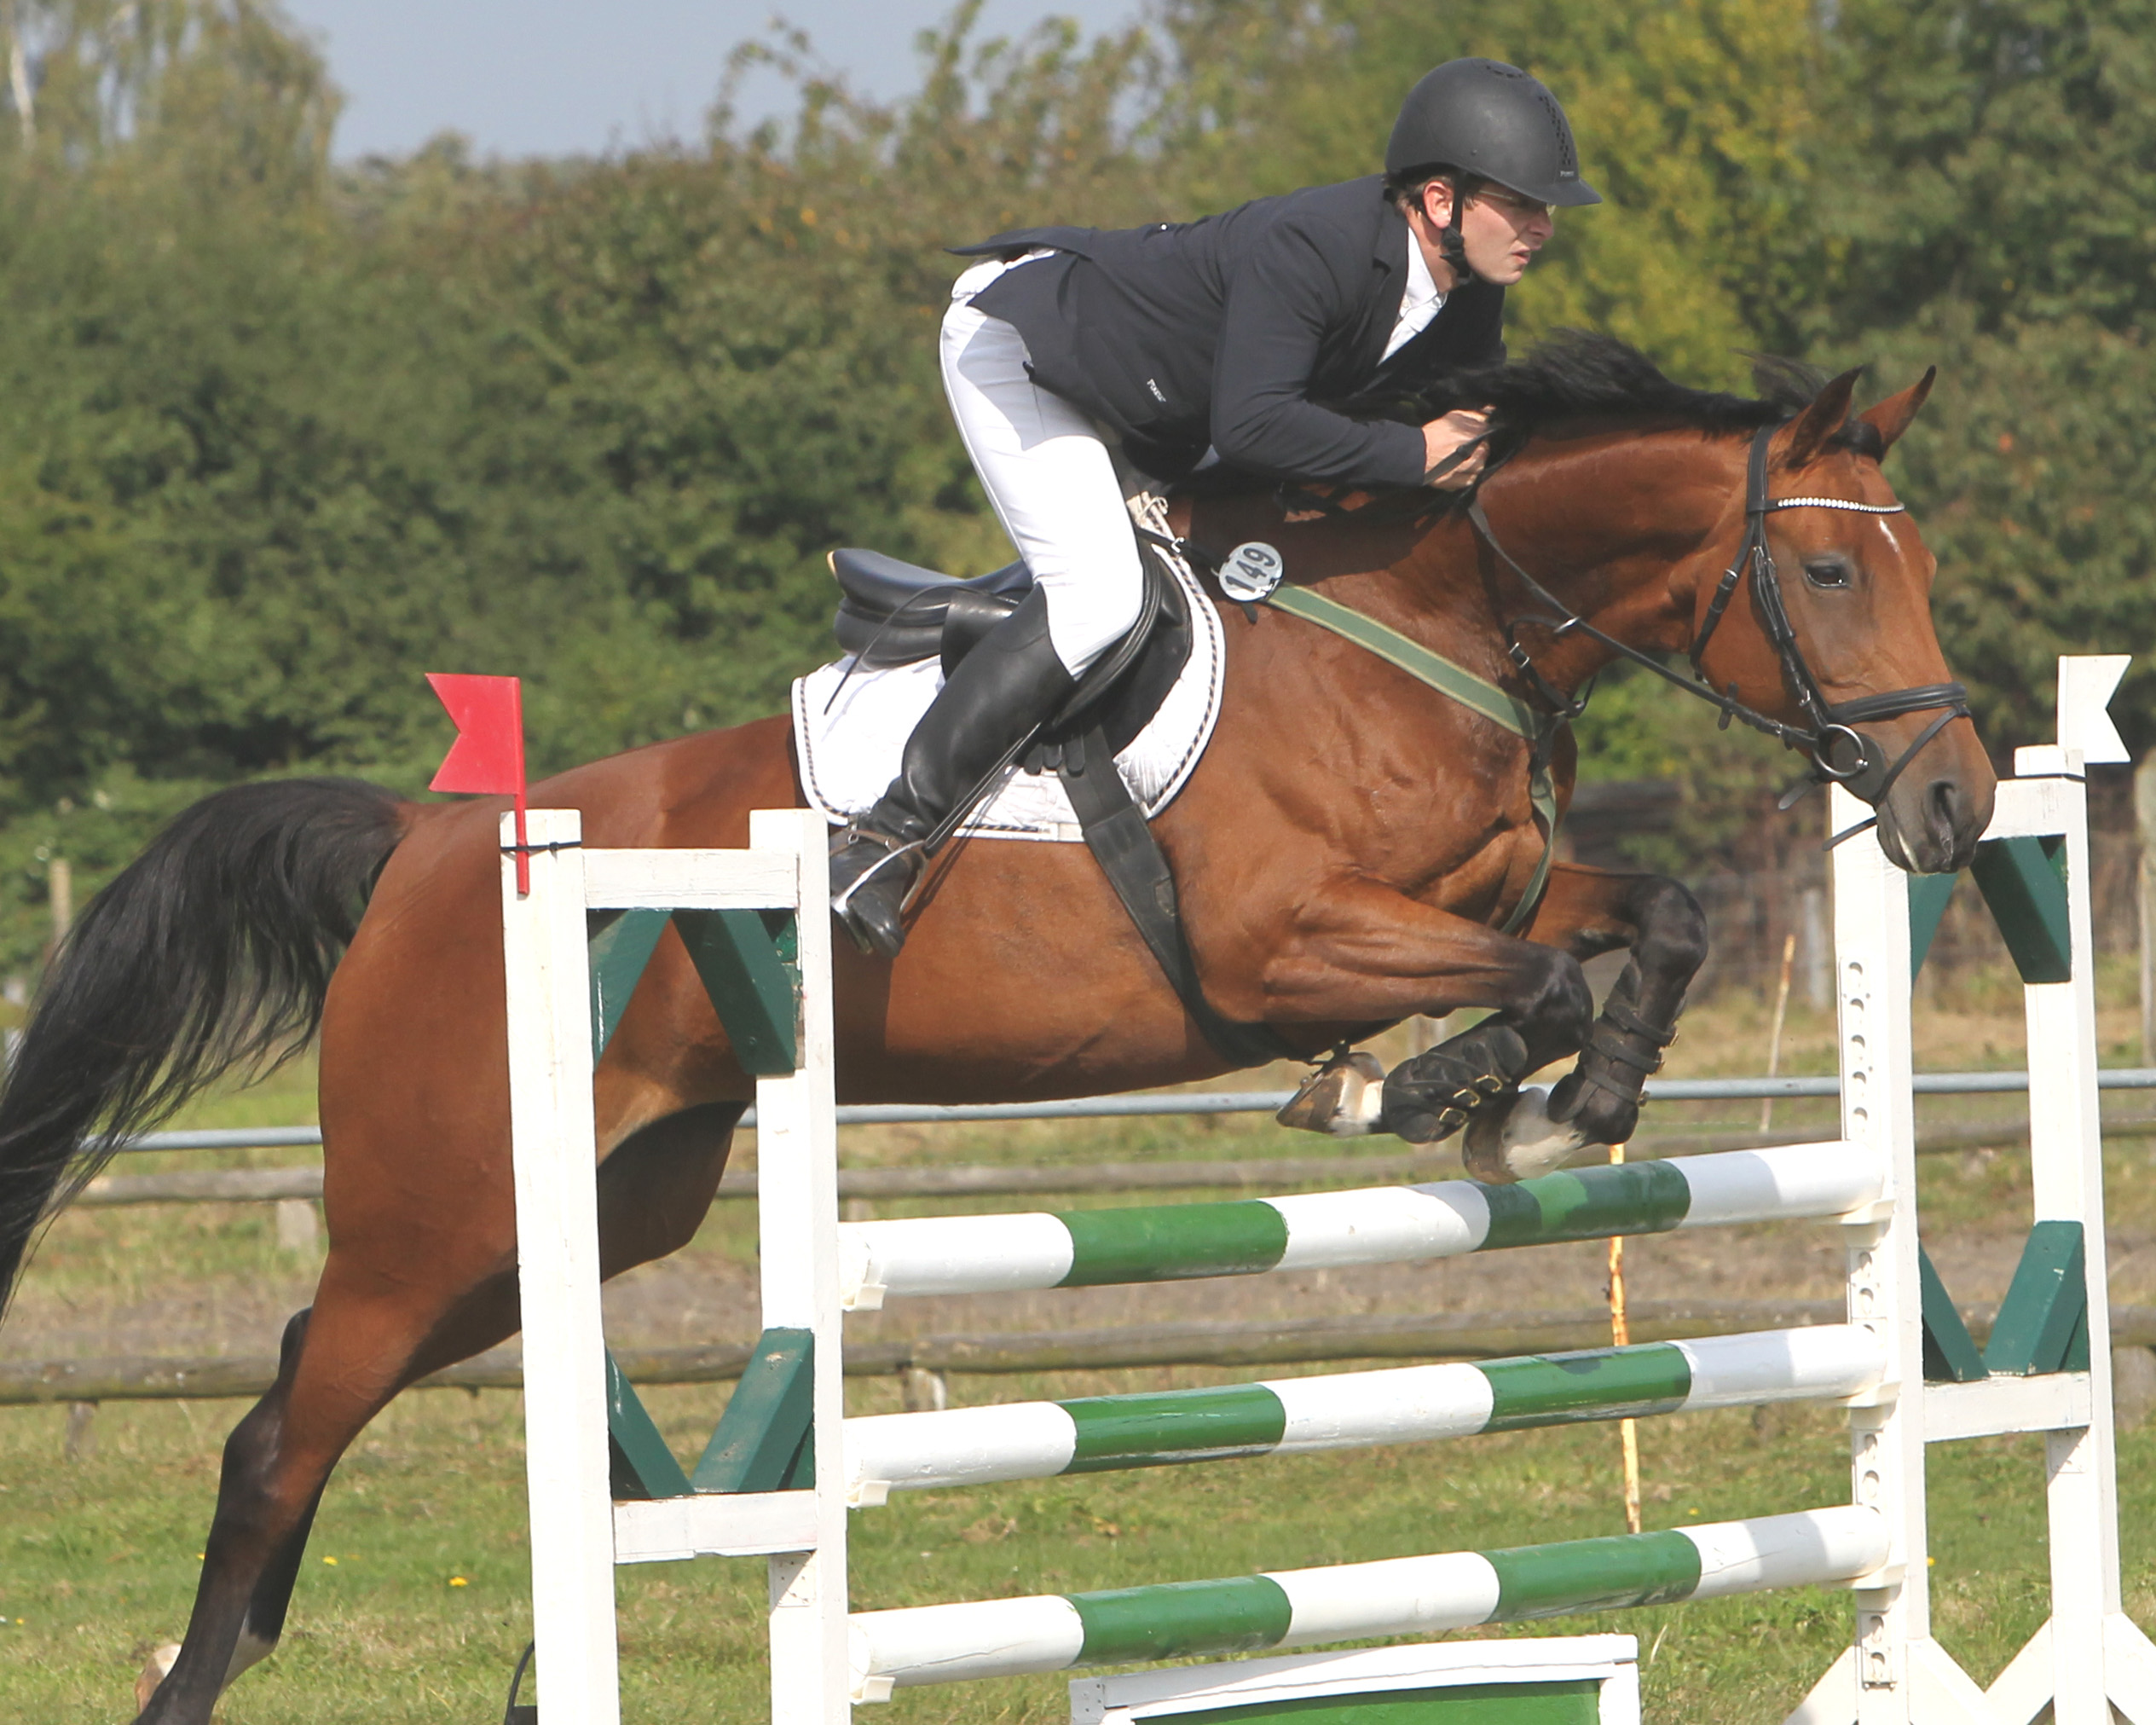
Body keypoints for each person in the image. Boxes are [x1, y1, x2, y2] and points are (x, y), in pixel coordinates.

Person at [829, 56, 1599, 958]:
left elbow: (1445, 439)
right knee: (1099, 598)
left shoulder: (1466, 300)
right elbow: (1260, 424)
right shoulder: (1316, 247)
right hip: (1029, 350)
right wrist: (1414, 452)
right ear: (1440, 201)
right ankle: (882, 839)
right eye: (1525, 204)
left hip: (1169, 414)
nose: (1544, 227)